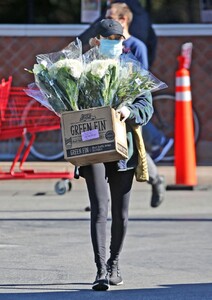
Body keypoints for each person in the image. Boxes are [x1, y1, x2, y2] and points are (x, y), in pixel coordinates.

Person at [77, 19, 153, 291]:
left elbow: (146, 106)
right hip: (93, 147)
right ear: (96, 40)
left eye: (118, 39)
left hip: (124, 149)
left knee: (120, 213)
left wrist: (128, 111)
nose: (114, 43)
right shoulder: (80, 68)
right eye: (108, 39)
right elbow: (69, 108)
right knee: (99, 209)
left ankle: (114, 264)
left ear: (123, 41)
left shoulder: (132, 69)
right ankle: (99, 270)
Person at [79, 0, 174, 164]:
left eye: (110, 18)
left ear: (122, 20)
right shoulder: (99, 51)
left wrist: (129, 100)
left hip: (128, 105)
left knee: (134, 142)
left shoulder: (135, 45)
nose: (105, 21)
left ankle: (159, 145)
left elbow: (142, 76)